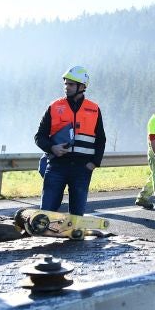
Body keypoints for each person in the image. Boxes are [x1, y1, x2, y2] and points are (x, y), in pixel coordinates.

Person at [34, 66, 106, 215]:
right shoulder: (54, 107)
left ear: (82, 86)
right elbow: (39, 136)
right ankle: (46, 237)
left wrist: (93, 163)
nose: (66, 87)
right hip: (56, 166)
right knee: (47, 214)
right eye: (65, 84)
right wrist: (52, 148)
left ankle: (75, 238)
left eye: (71, 84)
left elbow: (101, 139)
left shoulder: (94, 109)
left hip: (82, 169)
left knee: (76, 217)